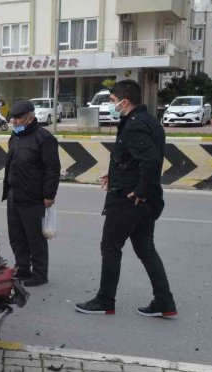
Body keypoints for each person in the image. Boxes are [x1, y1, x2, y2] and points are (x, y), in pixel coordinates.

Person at [75, 79, 177, 318]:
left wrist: (139, 191)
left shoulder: (135, 125)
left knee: (110, 247)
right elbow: (136, 159)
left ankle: (105, 300)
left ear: (125, 101)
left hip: (129, 200)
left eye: (112, 101)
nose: (111, 105)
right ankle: (164, 301)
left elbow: (150, 161)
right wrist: (115, 173)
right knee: (145, 248)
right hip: (143, 197)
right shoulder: (148, 121)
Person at [1, 100, 60, 287]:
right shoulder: (15, 137)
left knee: (35, 237)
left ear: (30, 117)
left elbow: (52, 169)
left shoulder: (44, 138)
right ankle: (22, 267)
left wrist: (49, 195)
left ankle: (40, 273)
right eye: (13, 118)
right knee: (16, 236)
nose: (14, 122)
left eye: (18, 118)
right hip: (14, 194)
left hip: (33, 197)